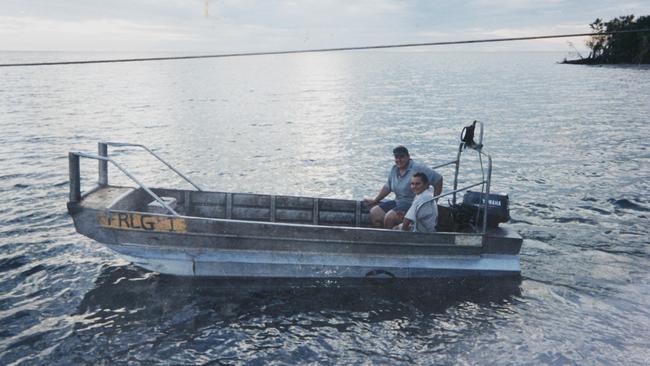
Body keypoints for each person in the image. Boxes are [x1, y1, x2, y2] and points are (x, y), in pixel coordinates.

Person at [364, 146, 442, 228]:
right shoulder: (394, 169)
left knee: (389, 217)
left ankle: (391, 238)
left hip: (412, 204)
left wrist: (434, 202)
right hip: (398, 202)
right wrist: (375, 200)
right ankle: (382, 235)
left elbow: (438, 179)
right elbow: (388, 187)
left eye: (402, 157)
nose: (399, 160)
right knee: (374, 212)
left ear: (408, 156)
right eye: (396, 157)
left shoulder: (417, 168)